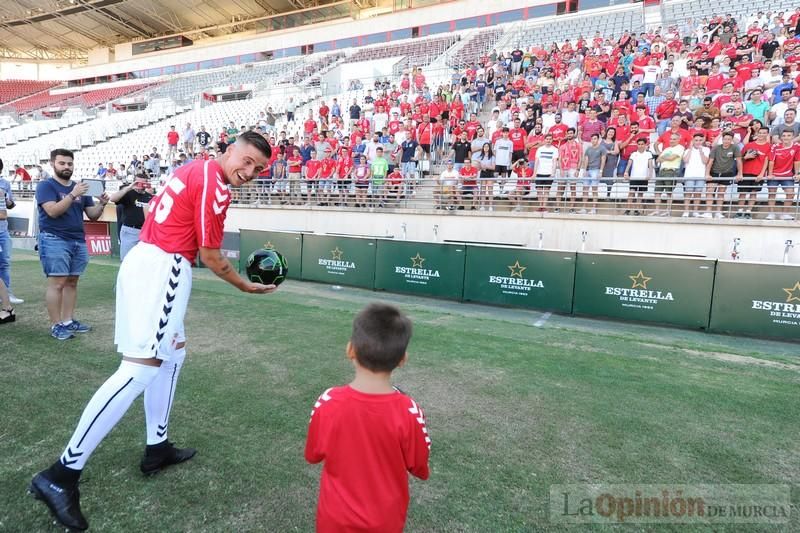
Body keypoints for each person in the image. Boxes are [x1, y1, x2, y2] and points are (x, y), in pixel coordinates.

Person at [29, 132, 276, 531]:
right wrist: (246, 285)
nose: (248, 172)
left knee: (172, 352)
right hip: (164, 268)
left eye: (258, 169)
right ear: (228, 150)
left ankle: (156, 446)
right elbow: (211, 256)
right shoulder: (215, 184)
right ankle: (60, 475)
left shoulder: (194, 168)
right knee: (139, 369)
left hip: (146, 259)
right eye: (245, 161)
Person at [305, 303, 430, 533]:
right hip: (385, 522)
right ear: (403, 359)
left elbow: (313, 455)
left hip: (334, 521)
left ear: (350, 350)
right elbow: (419, 466)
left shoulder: (328, 402)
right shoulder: (410, 411)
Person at [35, 149, 109, 340]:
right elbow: (52, 211)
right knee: (57, 283)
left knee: (72, 282)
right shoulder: (46, 186)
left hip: (77, 240)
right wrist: (72, 195)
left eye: (70, 163)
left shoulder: (80, 187)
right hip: (54, 239)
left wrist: (101, 204)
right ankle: (56, 325)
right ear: (53, 164)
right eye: (62, 163)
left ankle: (68, 321)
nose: (67, 167)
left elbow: (92, 215)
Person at [109, 174, 154, 260]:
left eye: (143, 183)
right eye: (138, 183)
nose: (141, 185)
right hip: (130, 230)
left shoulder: (149, 197)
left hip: (144, 231)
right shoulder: (129, 194)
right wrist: (129, 187)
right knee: (127, 260)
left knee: (143, 262)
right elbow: (113, 198)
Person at [0, 158, 23, 304]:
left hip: (3, 230)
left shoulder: (5, 184)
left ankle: (6, 295)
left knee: (5, 262)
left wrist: (7, 199)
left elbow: (11, 205)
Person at [705, 131, 742, 219]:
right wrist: (707, 173)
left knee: (721, 193)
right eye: (725, 139)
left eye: (729, 139)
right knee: (710, 191)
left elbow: (739, 161)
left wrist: (740, 173)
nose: (726, 141)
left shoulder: (735, 148)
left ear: (732, 140)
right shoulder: (716, 148)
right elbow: (710, 161)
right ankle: (708, 212)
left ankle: (718, 212)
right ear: (722, 139)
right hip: (714, 172)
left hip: (727, 173)